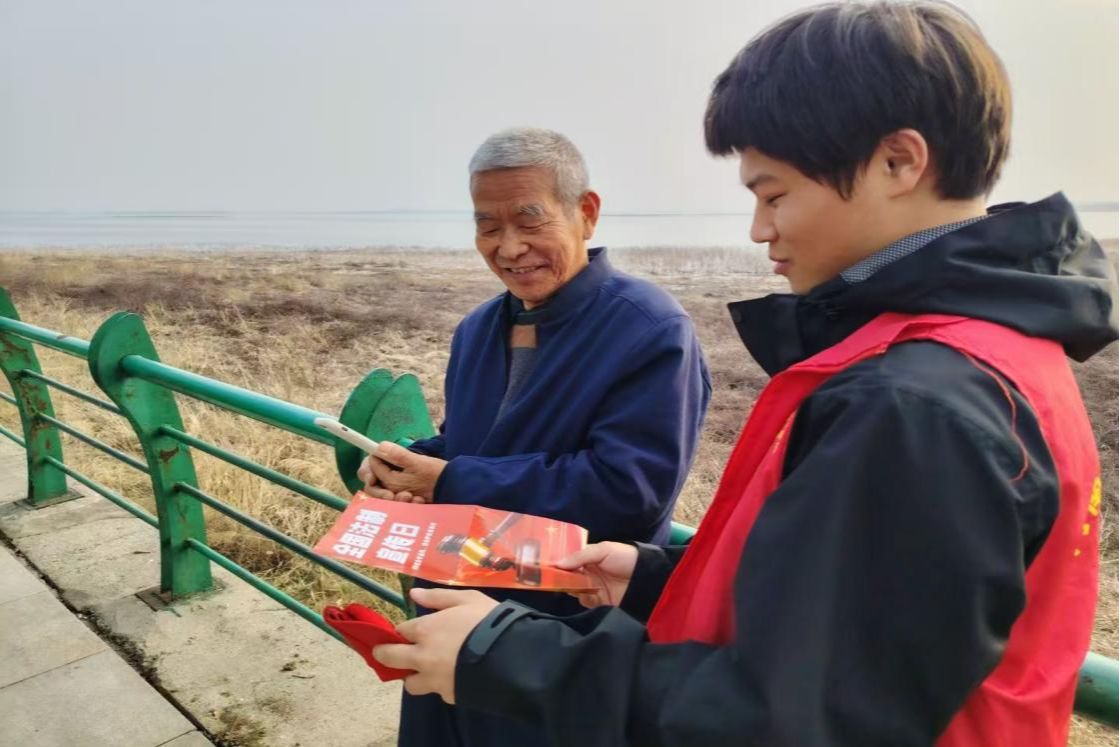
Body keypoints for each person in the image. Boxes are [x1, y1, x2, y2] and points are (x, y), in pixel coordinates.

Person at [371, 3, 1119, 746]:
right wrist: (659, 577)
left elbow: (795, 716)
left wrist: (506, 654)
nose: (759, 229)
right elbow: (851, 609)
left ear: (899, 162)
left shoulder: (918, 402)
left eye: (774, 194)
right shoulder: (991, 354)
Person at [358, 127, 711, 746]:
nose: (509, 247)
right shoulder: (477, 328)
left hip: (556, 638)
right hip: (448, 612)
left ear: (586, 213)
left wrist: (453, 480)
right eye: (487, 226)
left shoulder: (650, 329)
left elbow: (628, 492)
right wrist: (407, 464)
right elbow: (467, 443)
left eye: (529, 220)